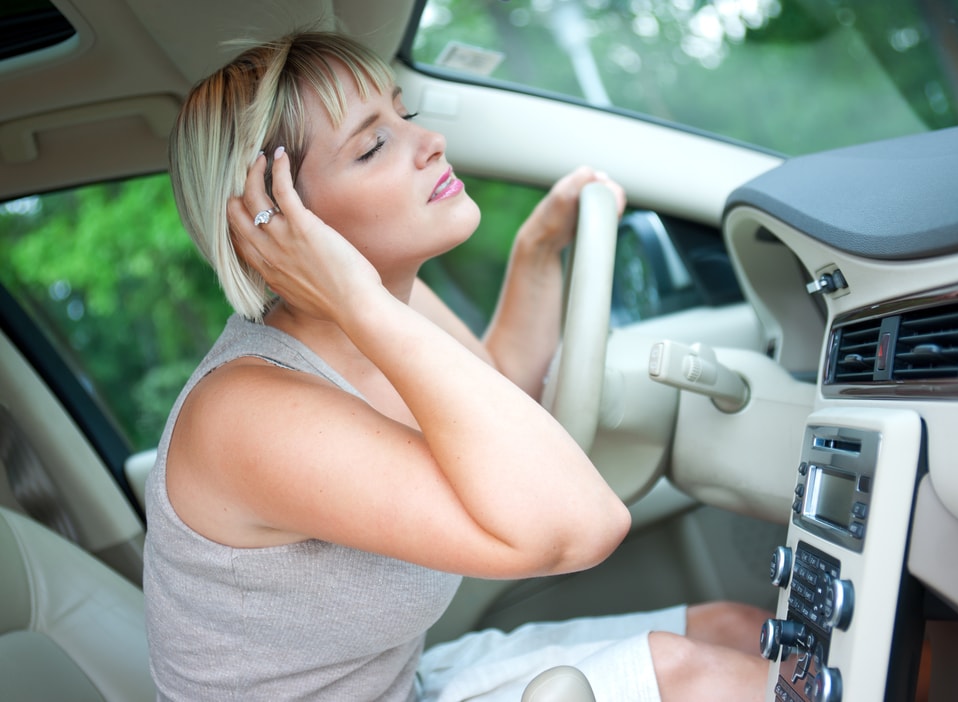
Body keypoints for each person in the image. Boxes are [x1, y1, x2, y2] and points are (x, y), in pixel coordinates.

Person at [143, 29, 769, 701]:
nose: (429, 142)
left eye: (402, 114)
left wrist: (538, 249)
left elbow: (492, 391)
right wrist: (357, 298)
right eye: (373, 145)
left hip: (403, 684)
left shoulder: (381, 310)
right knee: (704, 679)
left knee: (737, 630)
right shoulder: (248, 413)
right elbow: (578, 526)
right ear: (279, 224)